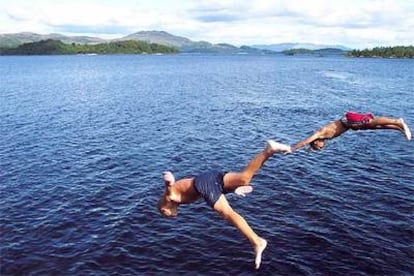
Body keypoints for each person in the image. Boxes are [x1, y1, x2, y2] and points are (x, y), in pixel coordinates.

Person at [157, 140, 291, 269]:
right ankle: (269, 150)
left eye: (167, 216)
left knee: (228, 213)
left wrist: (168, 180)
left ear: (164, 209)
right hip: (209, 178)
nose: (171, 217)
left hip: (204, 184)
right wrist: (228, 190)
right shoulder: (180, 200)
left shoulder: (170, 198)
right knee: (244, 178)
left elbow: (169, 188)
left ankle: (257, 242)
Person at [291, 111, 412, 151]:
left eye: (319, 147)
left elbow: (304, 142)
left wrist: (292, 149)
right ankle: (398, 128)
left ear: (316, 142)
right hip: (351, 125)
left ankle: (397, 121)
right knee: (373, 127)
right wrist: (310, 149)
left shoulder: (319, 133)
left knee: (370, 121)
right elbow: (309, 145)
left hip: (348, 121)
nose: (322, 147)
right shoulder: (321, 138)